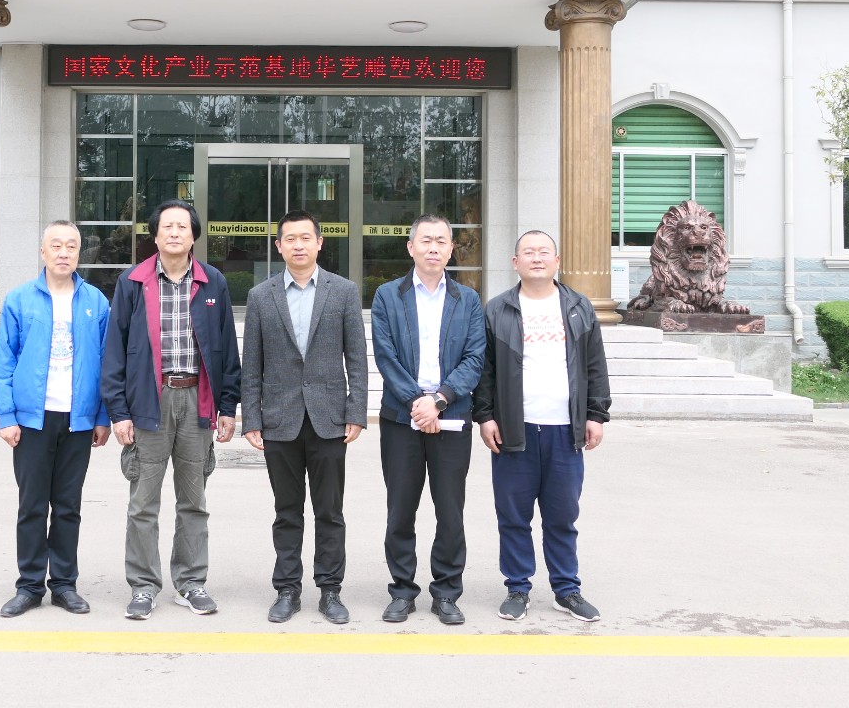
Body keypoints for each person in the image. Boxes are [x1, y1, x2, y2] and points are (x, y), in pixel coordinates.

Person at [101, 198, 242, 620]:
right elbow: (114, 351)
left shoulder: (212, 282)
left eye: (183, 226)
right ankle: (143, 586)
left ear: (194, 234)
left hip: (197, 400)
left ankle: (191, 582)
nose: (176, 232)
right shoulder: (133, 282)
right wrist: (119, 412)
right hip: (149, 401)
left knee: (193, 501)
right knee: (143, 502)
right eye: (168, 226)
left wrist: (228, 407)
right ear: (156, 235)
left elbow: (227, 350)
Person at [473, 230, 611, 623]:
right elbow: (485, 371)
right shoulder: (498, 310)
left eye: (544, 252)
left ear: (557, 260)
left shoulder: (579, 307)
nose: (537, 258)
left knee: (562, 515)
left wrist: (596, 414)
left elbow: (595, 365)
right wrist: (485, 416)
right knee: (513, 515)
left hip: (564, 431)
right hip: (514, 430)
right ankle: (518, 587)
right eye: (528, 252)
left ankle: (567, 590)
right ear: (515, 262)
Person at [241, 210, 368, 625]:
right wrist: (251, 418)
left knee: (330, 511)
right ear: (279, 246)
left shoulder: (343, 291)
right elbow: (252, 363)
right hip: (280, 420)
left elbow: (357, 358)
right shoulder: (261, 296)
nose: (298, 245)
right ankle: (287, 589)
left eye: (305, 238)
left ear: (319, 243)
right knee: (287, 511)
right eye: (290, 239)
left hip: (329, 418)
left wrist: (356, 411)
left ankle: (330, 590)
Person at [0, 219, 112, 618]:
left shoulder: (96, 302)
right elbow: (4, 362)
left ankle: (63, 584)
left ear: (80, 253)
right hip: (32, 421)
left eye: (71, 246)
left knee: (67, 506)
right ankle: (29, 586)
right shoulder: (19, 300)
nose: (63, 253)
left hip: (78, 420)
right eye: (56, 245)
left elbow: (107, 363)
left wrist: (102, 416)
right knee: (32, 506)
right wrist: (7, 416)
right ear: (43, 252)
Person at [370, 213, 486, 626]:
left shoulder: (468, 300)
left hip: (451, 416)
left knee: (450, 510)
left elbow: (475, 358)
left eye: (441, 241)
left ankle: (447, 592)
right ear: (411, 247)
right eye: (426, 240)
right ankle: (402, 591)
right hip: (401, 419)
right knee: (401, 509)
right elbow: (385, 355)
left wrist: (439, 400)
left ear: (451, 249)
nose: (433, 247)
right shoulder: (387, 295)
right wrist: (417, 403)